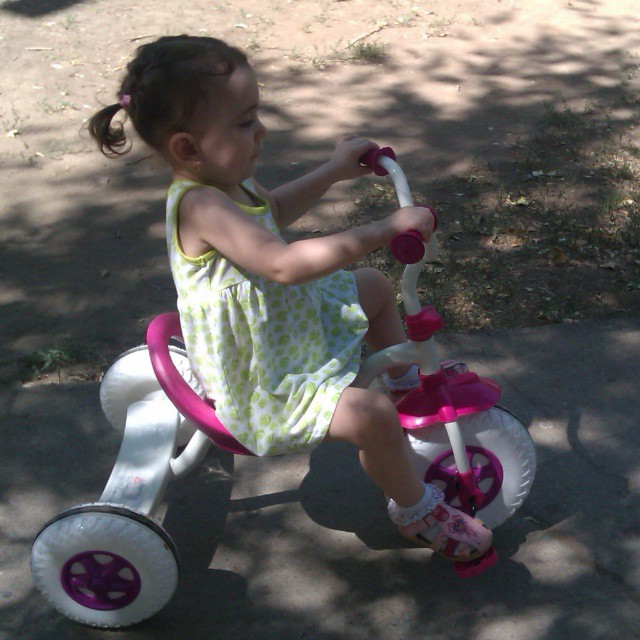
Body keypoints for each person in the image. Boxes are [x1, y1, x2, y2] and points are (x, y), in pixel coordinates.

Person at [88, 34, 492, 561]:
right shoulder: (201, 205)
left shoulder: (230, 184)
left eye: (256, 115)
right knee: (369, 416)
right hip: (261, 379)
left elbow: (273, 211)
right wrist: (381, 229)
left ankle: (404, 386)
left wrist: (334, 171)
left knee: (372, 286)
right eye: (244, 122)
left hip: (281, 332)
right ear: (187, 148)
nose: (262, 131)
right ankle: (417, 511)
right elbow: (282, 264)